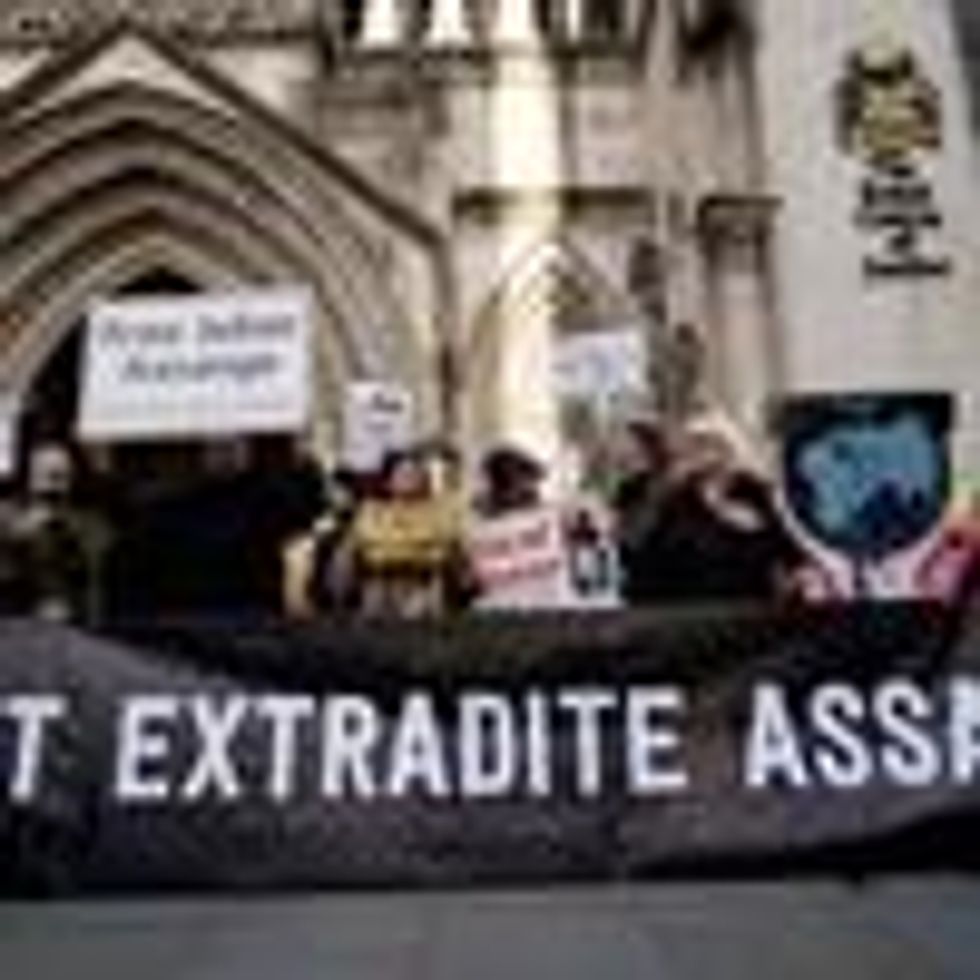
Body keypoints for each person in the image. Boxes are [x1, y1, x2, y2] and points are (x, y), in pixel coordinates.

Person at [625, 414, 802, 604]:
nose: (701, 455)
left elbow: (786, 547)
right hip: (685, 610)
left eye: (708, 444)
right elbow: (636, 546)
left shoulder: (757, 493)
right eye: (693, 446)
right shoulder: (674, 496)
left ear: (730, 450)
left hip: (751, 607)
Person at [334, 447, 468, 618]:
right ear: (388, 480)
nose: (411, 478)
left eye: (415, 473)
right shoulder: (372, 512)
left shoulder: (439, 512)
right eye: (403, 474)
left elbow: (444, 549)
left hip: (425, 590)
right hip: (380, 590)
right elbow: (367, 550)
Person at [10, 442, 109, 624]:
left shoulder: (89, 523)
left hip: (76, 624)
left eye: (59, 475)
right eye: (44, 473)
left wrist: (65, 527)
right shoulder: (10, 522)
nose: (51, 483)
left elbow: (98, 561)